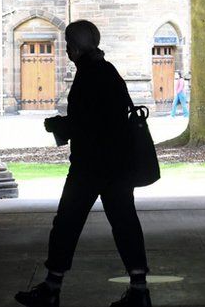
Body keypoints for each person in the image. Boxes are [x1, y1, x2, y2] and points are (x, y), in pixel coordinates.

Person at [15, 20, 151, 307]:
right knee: (125, 223)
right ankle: (139, 290)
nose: (66, 50)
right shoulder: (107, 70)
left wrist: (59, 126)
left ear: (74, 47)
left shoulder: (89, 74)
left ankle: (52, 287)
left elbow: (91, 122)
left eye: (67, 44)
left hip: (91, 165)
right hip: (117, 165)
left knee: (66, 222)